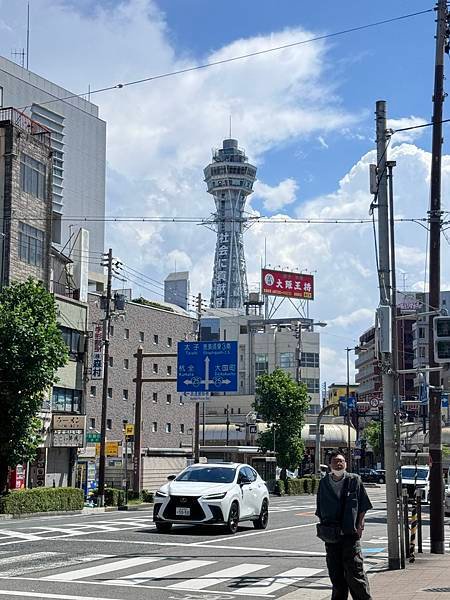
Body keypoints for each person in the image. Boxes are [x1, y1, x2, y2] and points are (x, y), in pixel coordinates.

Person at [316, 451, 373, 600]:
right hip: (331, 536)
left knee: (355, 574)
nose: (338, 463)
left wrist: (360, 524)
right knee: (336, 576)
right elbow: (320, 508)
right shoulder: (323, 483)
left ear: (346, 463)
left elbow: (363, 505)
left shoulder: (354, 480)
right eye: (335, 461)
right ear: (329, 464)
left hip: (350, 533)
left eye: (341, 461)